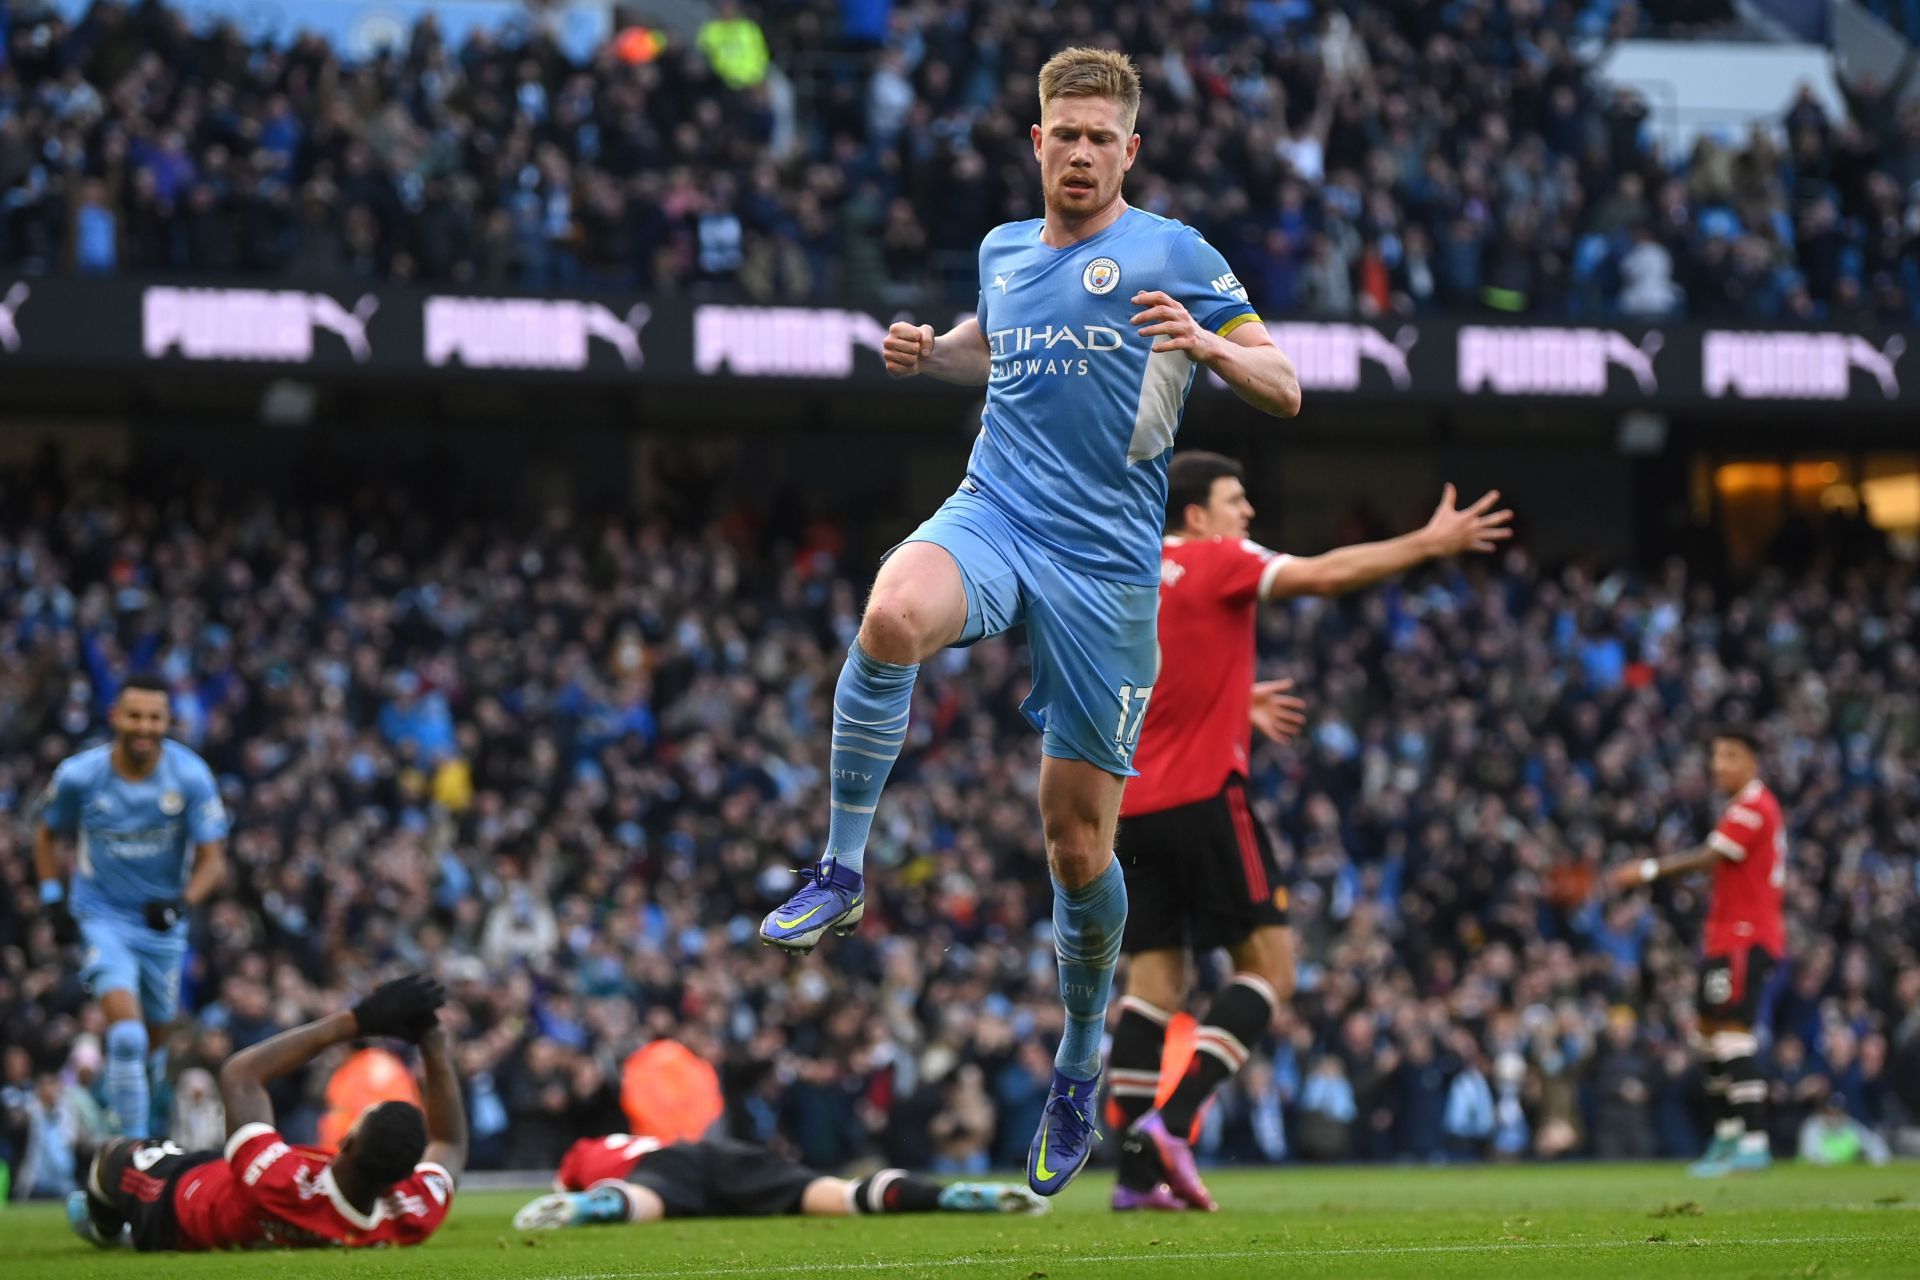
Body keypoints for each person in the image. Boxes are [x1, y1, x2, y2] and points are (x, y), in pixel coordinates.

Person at [756, 48, 1301, 1200]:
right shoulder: (1004, 252)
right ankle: (842, 867)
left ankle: (1077, 1055)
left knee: (1076, 847)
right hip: (996, 510)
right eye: (1066, 133)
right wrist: (928, 354)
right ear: (1038, 142)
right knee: (893, 613)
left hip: (1107, 571)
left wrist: (1210, 346)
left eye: (1103, 137)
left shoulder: (1175, 252)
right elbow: (985, 352)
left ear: (1130, 150)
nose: (1083, 152)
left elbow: (1286, 384)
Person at [1107, 452, 1510, 1210]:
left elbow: (1134, 666)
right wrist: (1426, 544)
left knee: (1153, 984)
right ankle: (1174, 1123)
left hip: (1131, 806)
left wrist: (1230, 702)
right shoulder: (1220, 557)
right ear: (1197, 515)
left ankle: (1132, 1180)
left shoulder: (1132, 562)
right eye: (1236, 500)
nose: (1247, 514)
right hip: (1204, 798)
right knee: (1273, 971)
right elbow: (1323, 576)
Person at [67, 974, 465, 1250]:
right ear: (404, 1178)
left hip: (178, 1205)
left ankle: (105, 1229)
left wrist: (360, 1019)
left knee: (113, 1155)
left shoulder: (281, 1185)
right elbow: (448, 1142)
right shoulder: (412, 1212)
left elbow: (241, 1074)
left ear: (347, 1141)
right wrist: (432, 1043)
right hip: (233, 1178)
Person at [35, 673, 230, 1139]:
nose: (144, 726)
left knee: (151, 1049)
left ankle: (123, 1134)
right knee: (126, 1035)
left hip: (160, 925)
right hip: (100, 917)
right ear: (115, 717)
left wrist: (181, 903)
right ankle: (132, 1162)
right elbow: (45, 833)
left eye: (155, 717)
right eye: (135, 716)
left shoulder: (189, 776)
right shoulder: (80, 776)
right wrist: (52, 900)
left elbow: (213, 860)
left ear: (168, 721)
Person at [1609, 725, 1785, 1176]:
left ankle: (1753, 1141)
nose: (1717, 765)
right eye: (1715, 756)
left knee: (1731, 1033)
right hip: (1724, 936)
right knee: (1706, 1035)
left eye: (1729, 755)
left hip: (1746, 936)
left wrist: (1650, 869)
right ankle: (1727, 1136)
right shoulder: (1739, 807)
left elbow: (1713, 855)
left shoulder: (1752, 806)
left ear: (1752, 762)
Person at [512, 1131, 1048, 1230]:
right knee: (836, 1195)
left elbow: (564, 1181)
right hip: (720, 1151)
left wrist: (571, 1196)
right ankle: (946, 1193)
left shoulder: (585, 1151)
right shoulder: (651, 1136)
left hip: (659, 1172)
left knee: (647, 1200)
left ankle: (596, 1209)